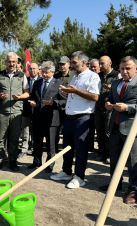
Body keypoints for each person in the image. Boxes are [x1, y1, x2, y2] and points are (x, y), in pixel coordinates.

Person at [101, 56, 137, 204]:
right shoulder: (116, 82)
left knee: (133, 161)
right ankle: (115, 183)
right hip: (115, 126)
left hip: (133, 129)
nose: (124, 71)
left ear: (136, 68)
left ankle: (133, 190)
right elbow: (110, 99)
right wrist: (108, 104)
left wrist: (127, 108)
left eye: (128, 68)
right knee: (114, 159)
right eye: (122, 68)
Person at [50, 51, 100, 189]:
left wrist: (75, 91)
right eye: (71, 62)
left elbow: (95, 97)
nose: (71, 65)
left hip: (82, 118)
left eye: (74, 62)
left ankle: (79, 177)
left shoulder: (92, 76)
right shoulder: (75, 77)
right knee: (67, 148)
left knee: (80, 149)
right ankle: (66, 172)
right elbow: (73, 94)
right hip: (70, 117)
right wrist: (67, 91)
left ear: (83, 62)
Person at [0, 52, 30, 172]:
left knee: (14, 138)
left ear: (17, 62)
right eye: (9, 61)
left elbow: (27, 93)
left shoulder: (21, 75)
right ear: (5, 62)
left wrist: (20, 97)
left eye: (14, 62)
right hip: (3, 111)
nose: (12, 64)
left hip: (17, 112)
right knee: (1, 137)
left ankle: (13, 160)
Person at [28, 61, 67, 172]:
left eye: (47, 72)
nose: (44, 74)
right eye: (43, 72)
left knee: (51, 144)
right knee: (37, 142)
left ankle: (49, 165)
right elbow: (35, 97)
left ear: (53, 72)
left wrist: (53, 103)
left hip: (51, 119)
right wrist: (34, 103)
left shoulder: (59, 83)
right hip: (37, 118)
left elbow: (64, 100)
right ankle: (36, 162)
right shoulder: (37, 83)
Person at [95, 56, 120, 164]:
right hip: (98, 108)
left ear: (110, 63)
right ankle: (101, 154)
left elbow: (122, 90)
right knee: (99, 133)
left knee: (109, 133)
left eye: (102, 64)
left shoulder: (117, 75)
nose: (100, 66)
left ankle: (110, 155)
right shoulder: (97, 76)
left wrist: (112, 88)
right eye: (99, 63)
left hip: (110, 109)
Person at [19, 62, 40, 158]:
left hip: (37, 109)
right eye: (30, 69)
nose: (32, 70)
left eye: (34, 68)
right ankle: (24, 148)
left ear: (38, 69)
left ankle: (35, 149)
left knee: (35, 130)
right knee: (25, 130)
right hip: (26, 109)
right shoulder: (25, 80)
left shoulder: (41, 81)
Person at [53, 56, 74, 151]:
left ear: (69, 64)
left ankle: (69, 147)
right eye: (60, 64)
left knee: (69, 129)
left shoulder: (74, 76)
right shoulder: (55, 76)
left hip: (70, 107)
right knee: (56, 129)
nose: (61, 66)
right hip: (58, 107)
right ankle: (55, 147)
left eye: (63, 64)